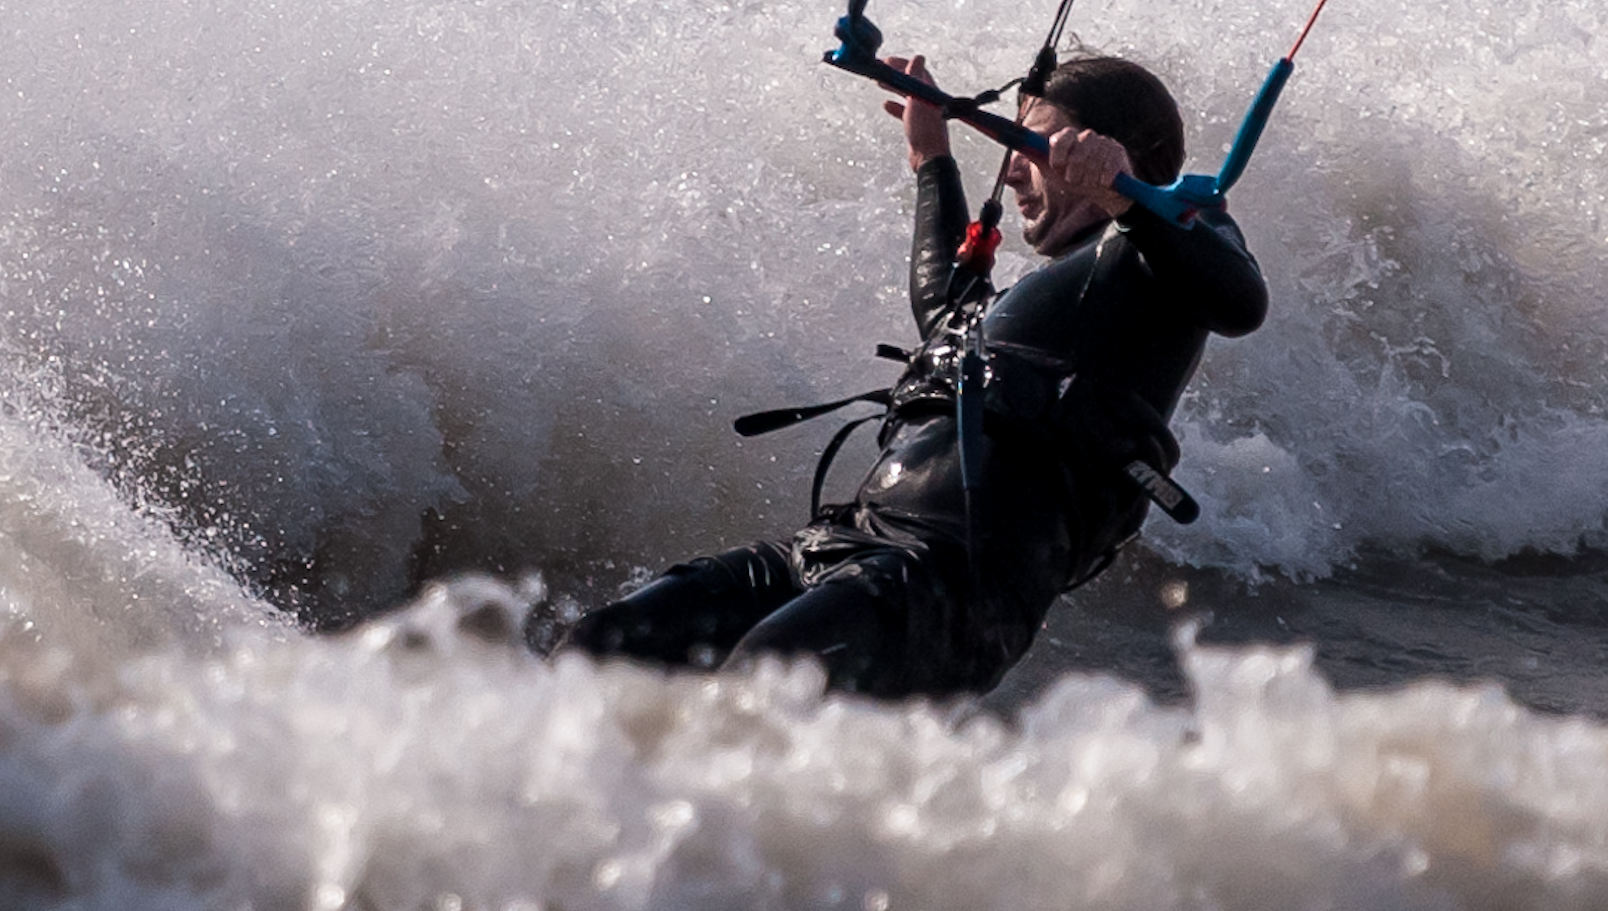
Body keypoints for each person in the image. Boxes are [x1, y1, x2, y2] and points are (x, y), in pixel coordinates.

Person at [542, 49, 1269, 699]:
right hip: (845, 546)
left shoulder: (1165, 251)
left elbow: (1241, 302)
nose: (1012, 166)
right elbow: (946, 307)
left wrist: (1126, 198)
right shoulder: (1040, 298)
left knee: (762, 689)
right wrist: (933, 159)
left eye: (1032, 145)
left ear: (1108, 154)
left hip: (953, 590)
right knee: (602, 648)